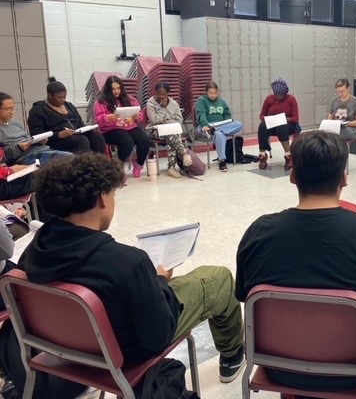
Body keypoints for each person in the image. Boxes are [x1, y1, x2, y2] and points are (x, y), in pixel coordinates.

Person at [0, 153, 245, 398]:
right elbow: (157, 338)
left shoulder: (35, 249)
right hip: (122, 352)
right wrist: (159, 281)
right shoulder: (128, 262)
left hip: (64, 344)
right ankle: (232, 355)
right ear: (102, 199)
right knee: (217, 277)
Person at [236, 130, 356, 393]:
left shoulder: (259, 232)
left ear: (292, 176)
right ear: (344, 178)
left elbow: (243, 295)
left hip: (278, 365)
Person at [27, 77, 106, 154]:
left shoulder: (69, 106)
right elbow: (36, 134)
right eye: (59, 97)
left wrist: (88, 129)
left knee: (97, 137)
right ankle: (80, 166)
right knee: (82, 141)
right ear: (50, 95)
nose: (63, 100)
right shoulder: (38, 110)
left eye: (64, 97)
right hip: (54, 141)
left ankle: (99, 164)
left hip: (75, 134)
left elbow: (79, 123)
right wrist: (59, 134)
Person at [94, 76, 151, 178]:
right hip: (110, 130)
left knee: (144, 140)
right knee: (127, 141)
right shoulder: (101, 101)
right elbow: (98, 119)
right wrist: (108, 117)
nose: (116, 91)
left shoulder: (129, 99)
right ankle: (118, 168)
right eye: (113, 89)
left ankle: (138, 165)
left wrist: (137, 116)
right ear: (108, 89)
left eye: (118, 88)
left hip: (129, 127)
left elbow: (140, 115)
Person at [0, 92, 72, 166]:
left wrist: (39, 141)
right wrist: (19, 148)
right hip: (24, 157)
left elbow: (28, 139)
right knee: (67, 158)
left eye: (13, 108)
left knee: (73, 159)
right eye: (8, 109)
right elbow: (2, 157)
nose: (12, 112)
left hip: (39, 150)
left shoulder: (15, 123)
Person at [146, 82, 192, 179]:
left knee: (171, 135)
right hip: (155, 131)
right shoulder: (150, 104)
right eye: (159, 93)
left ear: (168, 94)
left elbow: (179, 120)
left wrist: (167, 122)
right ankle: (183, 153)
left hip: (171, 131)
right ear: (155, 92)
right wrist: (162, 109)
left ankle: (171, 167)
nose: (161, 96)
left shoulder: (174, 104)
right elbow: (154, 120)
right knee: (172, 134)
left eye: (164, 94)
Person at [195, 81, 243, 173]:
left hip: (220, 126)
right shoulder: (201, 100)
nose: (213, 95)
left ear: (218, 92)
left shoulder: (222, 102)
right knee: (219, 135)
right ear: (206, 92)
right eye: (210, 93)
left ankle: (216, 130)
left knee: (239, 124)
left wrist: (227, 122)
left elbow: (227, 115)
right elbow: (201, 114)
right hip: (206, 126)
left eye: (215, 93)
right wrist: (205, 125)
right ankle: (222, 161)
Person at [256, 78, 300, 171]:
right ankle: (262, 155)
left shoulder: (291, 99)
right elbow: (261, 115)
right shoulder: (269, 99)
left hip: (288, 125)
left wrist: (284, 119)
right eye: (276, 95)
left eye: (281, 95)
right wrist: (269, 119)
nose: (278, 97)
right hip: (272, 123)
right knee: (262, 125)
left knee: (281, 127)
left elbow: (295, 118)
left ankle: (288, 156)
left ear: (285, 93)